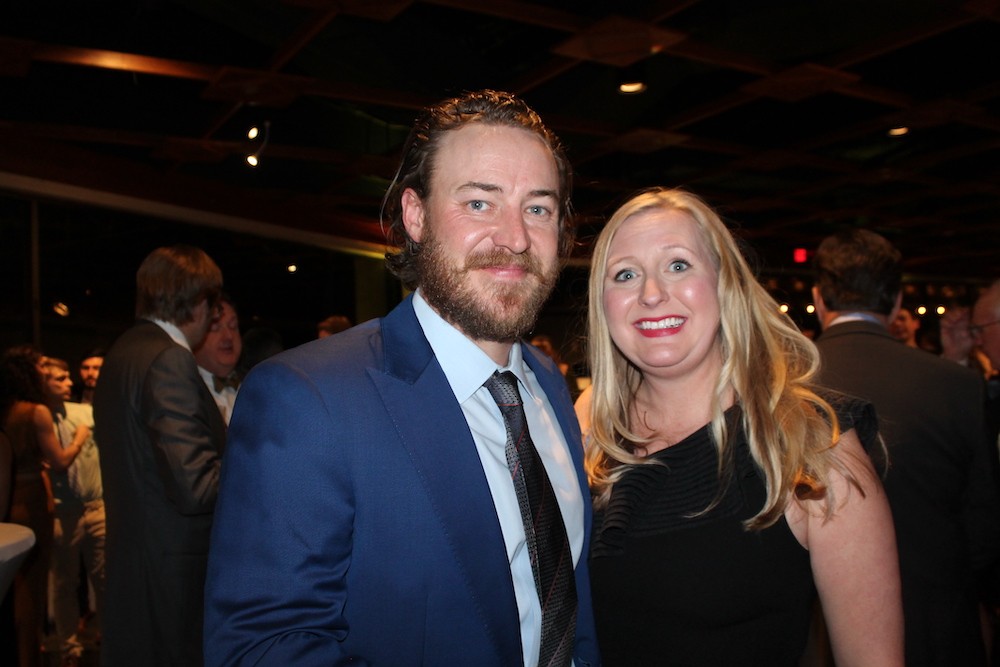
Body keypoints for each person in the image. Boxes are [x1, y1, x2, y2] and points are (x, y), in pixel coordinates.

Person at [205, 90, 600, 667]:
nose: (515, 237)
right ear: (415, 216)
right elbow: (263, 647)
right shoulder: (308, 398)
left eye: (538, 208)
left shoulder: (549, 385)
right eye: (479, 203)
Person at [583, 188, 902, 666]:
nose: (650, 293)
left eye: (678, 265)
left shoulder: (813, 445)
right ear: (603, 304)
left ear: (725, 283)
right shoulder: (587, 437)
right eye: (625, 274)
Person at [812, 229, 1000, 666]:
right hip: (938, 626)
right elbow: (985, 525)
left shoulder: (784, 381)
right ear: (897, 302)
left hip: (823, 631)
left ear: (819, 299)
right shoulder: (957, 384)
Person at [94, 245, 226, 667]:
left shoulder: (122, 352)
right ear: (200, 303)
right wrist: (254, 462)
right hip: (173, 575)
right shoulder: (170, 359)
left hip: (135, 564)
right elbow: (196, 486)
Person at [1, 345, 87, 667]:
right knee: (33, 588)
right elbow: (60, 461)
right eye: (40, 368)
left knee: (13, 587)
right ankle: (29, 654)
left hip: (10, 500)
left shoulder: (6, 410)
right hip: (33, 501)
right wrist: (78, 439)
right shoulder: (35, 412)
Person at [41, 357, 105, 667]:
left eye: (69, 377)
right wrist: (78, 441)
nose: (70, 382)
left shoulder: (84, 411)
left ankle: (110, 635)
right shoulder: (39, 417)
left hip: (96, 507)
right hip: (64, 511)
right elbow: (56, 463)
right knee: (65, 582)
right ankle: (69, 646)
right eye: (60, 378)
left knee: (104, 578)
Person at [193, 294, 242, 425]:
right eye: (215, 328)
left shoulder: (255, 384)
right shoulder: (186, 390)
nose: (228, 336)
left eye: (233, 326)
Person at [531, 334, 582, 402]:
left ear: (552, 352)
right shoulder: (529, 371)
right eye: (537, 349)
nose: (540, 352)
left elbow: (573, 396)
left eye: (543, 349)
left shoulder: (563, 369)